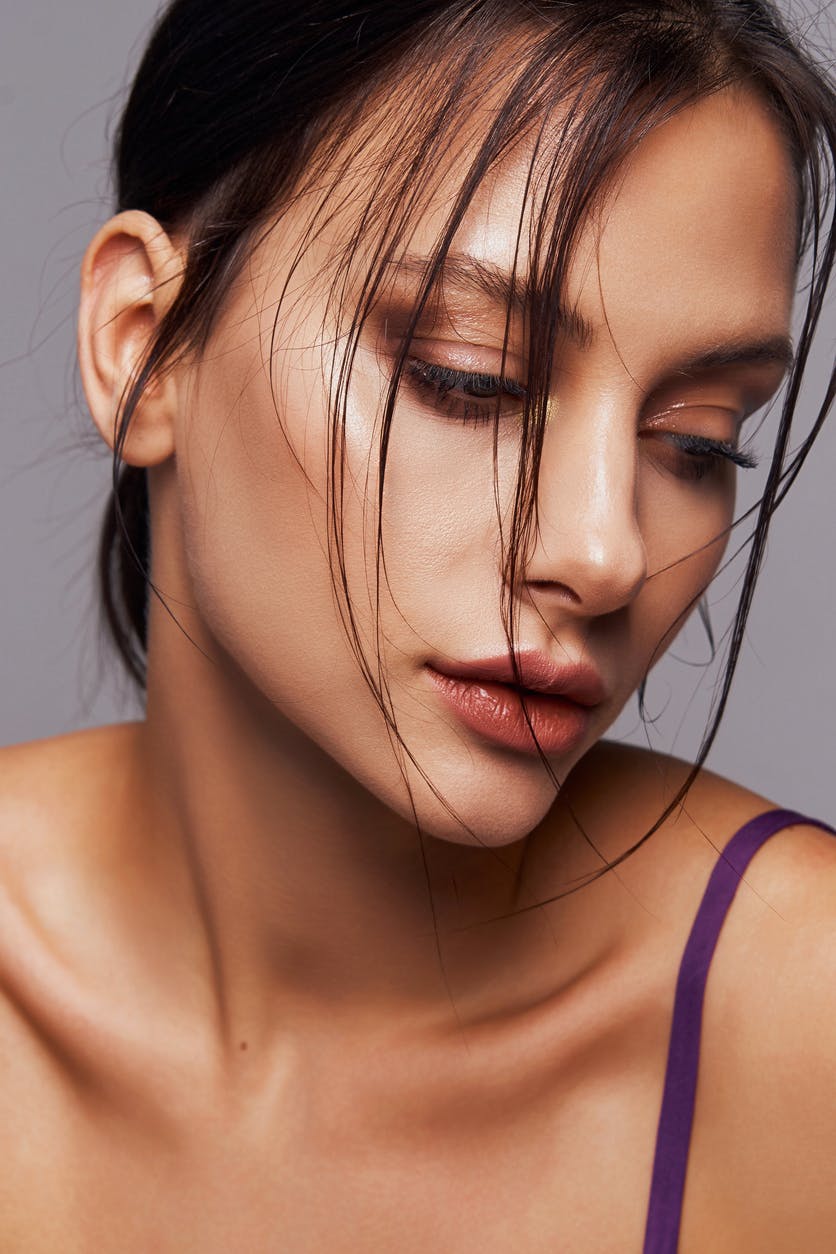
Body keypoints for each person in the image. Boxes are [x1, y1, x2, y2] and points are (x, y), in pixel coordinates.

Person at [0, 0, 834, 1248]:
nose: (601, 554)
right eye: (467, 376)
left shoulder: (796, 1023)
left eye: (694, 442)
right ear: (144, 346)